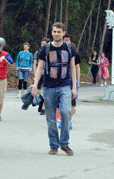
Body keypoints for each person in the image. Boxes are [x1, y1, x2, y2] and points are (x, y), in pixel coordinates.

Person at [31, 22, 77, 156]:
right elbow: (39, 68)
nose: (56, 34)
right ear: (52, 33)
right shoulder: (45, 49)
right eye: (54, 31)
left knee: (66, 112)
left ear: (63, 33)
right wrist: (35, 86)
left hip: (65, 86)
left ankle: (65, 143)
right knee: (50, 118)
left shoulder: (69, 48)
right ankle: (54, 145)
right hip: (49, 87)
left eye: (59, 31)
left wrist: (74, 87)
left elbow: (73, 68)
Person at [62, 34, 80, 129]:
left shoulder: (74, 53)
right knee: (61, 103)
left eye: (68, 40)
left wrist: (78, 81)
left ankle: (69, 121)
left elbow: (77, 67)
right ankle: (62, 120)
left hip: (71, 80)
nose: (66, 42)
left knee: (72, 102)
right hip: (60, 81)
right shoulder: (57, 51)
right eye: (65, 40)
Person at [34, 37, 50, 116]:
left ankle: (43, 108)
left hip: (47, 74)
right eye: (41, 44)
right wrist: (36, 72)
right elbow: (35, 63)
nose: (42, 45)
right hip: (40, 73)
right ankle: (41, 102)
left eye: (44, 44)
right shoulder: (38, 52)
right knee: (38, 90)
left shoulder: (50, 51)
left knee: (46, 91)